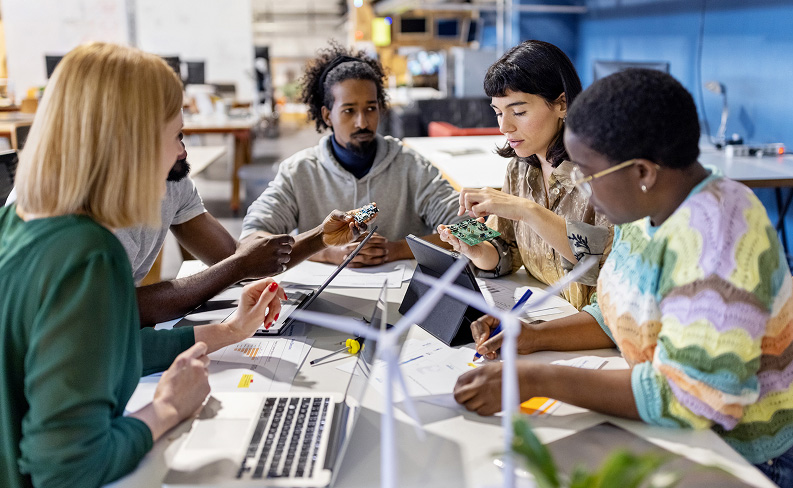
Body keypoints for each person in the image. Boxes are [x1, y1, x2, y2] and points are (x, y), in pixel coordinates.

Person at [453, 68, 793, 487]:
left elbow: (691, 398)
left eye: (586, 176)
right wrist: (532, 335)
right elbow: (617, 312)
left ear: (642, 172)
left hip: (758, 457)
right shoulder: (646, 210)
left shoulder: (720, 236)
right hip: (687, 432)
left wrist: (535, 378)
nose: (584, 192)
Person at [0, 43, 292, 488]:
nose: (181, 153)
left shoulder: (17, 223)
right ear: (131, 144)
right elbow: (66, 468)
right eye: (176, 135)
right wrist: (168, 408)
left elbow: (102, 354)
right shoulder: (89, 254)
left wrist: (231, 331)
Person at [116, 133, 376, 326]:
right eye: (173, 137)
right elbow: (123, 309)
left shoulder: (176, 183)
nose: (184, 152)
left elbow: (235, 257)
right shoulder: (104, 210)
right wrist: (239, 268)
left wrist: (321, 237)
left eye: (182, 135)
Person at [241, 41, 463, 267]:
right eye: (349, 111)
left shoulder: (412, 167)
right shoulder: (298, 171)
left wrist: (397, 249)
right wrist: (327, 251)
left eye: (371, 108)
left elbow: (470, 229)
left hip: (404, 289)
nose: (362, 122)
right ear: (327, 116)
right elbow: (251, 240)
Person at [438, 40, 612, 309]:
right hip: (543, 310)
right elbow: (507, 250)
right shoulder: (519, 170)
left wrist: (527, 211)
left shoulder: (603, 174)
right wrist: (477, 250)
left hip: (591, 325)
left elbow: (605, 266)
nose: (504, 127)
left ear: (562, 104)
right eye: (498, 113)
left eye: (518, 112)